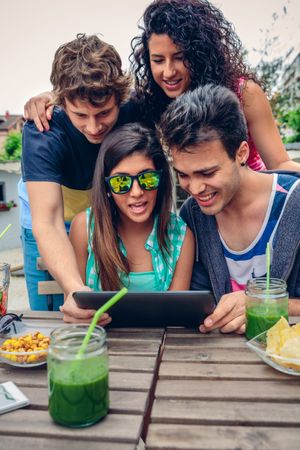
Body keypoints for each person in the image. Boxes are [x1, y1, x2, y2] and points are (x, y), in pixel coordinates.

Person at [24, 0, 300, 173]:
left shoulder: (243, 92)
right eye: (158, 60)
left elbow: (280, 164)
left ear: (201, 53)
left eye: (180, 57)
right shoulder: (152, 101)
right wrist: (50, 96)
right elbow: (96, 88)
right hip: (206, 212)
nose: (168, 71)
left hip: (253, 204)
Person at [159, 84, 300, 335]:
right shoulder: (193, 216)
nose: (195, 188)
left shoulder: (294, 203)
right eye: (183, 175)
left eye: (208, 172)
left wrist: (263, 305)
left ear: (241, 153)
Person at [19, 34, 133, 314]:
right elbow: (47, 223)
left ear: (120, 98)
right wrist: (73, 289)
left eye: (104, 113)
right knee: (55, 310)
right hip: (48, 219)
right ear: (60, 102)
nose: (94, 127)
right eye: (80, 115)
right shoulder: (42, 131)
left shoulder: (134, 110)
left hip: (102, 217)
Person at [67, 123, 194, 324]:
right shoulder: (84, 227)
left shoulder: (181, 236)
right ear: (107, 187)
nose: (136, 192)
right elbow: (77, 304)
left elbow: (174, 318)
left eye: (148, 178)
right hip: (99, 343)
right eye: (121, 182)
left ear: (160, 181)